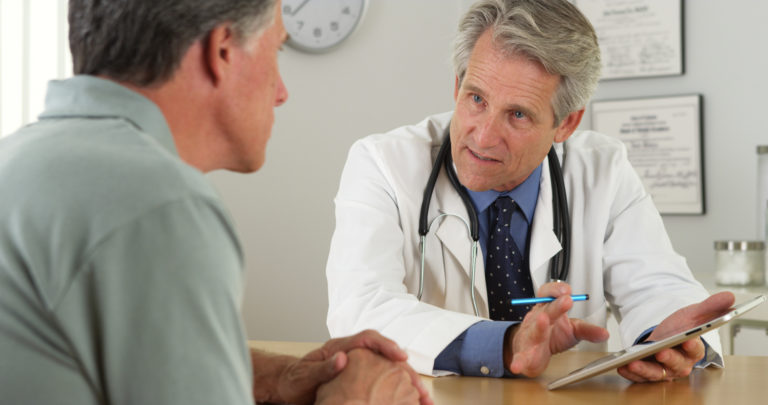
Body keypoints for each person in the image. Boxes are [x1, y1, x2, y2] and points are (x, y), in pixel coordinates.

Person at [0, 1, 430, 404]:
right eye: (276, 49)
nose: (281, 92)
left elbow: (129, 353)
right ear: (222, 50)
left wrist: (276, 376)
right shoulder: (160, 204)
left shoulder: (21, 160)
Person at [326, 0, 734, 383]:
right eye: (476, 99)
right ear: (457, 86)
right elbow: (359, 309)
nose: (483, 137)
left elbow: (658, 286)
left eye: (517, 114)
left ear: (566, 125)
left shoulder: (603, 170)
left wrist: (664, 341)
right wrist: (505, 345)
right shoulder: (381, 163)